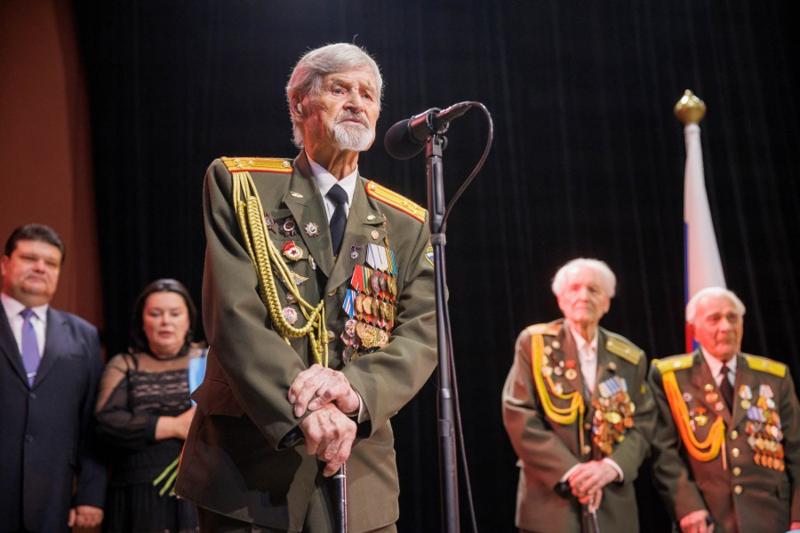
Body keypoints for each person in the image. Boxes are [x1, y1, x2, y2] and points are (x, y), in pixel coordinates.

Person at [174, 43, 437, 532]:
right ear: (299, 104)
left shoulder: (407, 223)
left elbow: (424, 333)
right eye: (340, 89)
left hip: (361, 470)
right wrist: (306, 410)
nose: (356, 102)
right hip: (250, 466)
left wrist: (355, 392)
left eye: (368, 94)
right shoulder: (242, 186)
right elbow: (233, 314)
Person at [502, 258, 655, 533]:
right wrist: (572, 472)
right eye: (574, 288)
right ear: (561, 299)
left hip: (612, 506)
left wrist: (610, 467)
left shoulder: (630, 357)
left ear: (607, 302)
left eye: (593, 290)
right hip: (551, 505)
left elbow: (644, 423)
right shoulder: (534, 344)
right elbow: (519, 413)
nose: (583, 296)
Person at [649, 287, 800, 533]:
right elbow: (663, 451)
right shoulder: (670, 377)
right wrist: (687, 507)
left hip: (772, 517)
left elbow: (796, 449)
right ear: (693, 329)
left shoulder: (774, 376)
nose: (726, 327)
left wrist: (798, 516)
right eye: (714, 319)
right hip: (707, 519)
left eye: (732, 317)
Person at [0, 223, 106, 531]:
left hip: (52, 499)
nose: (40, 268)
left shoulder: (83, 335)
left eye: (50, 263)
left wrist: (90, 494)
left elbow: (91, 420)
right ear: (5, 264)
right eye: (29, 258)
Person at [95, 278, 205, 532]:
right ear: (142, 322)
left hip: (200, 489)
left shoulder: (208, 362)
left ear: (189, 320)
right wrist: (173, 426)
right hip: (138, 491)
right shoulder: (124, 364)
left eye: (174, 314)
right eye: (155, 314)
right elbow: (105, 422)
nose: (165, 321)